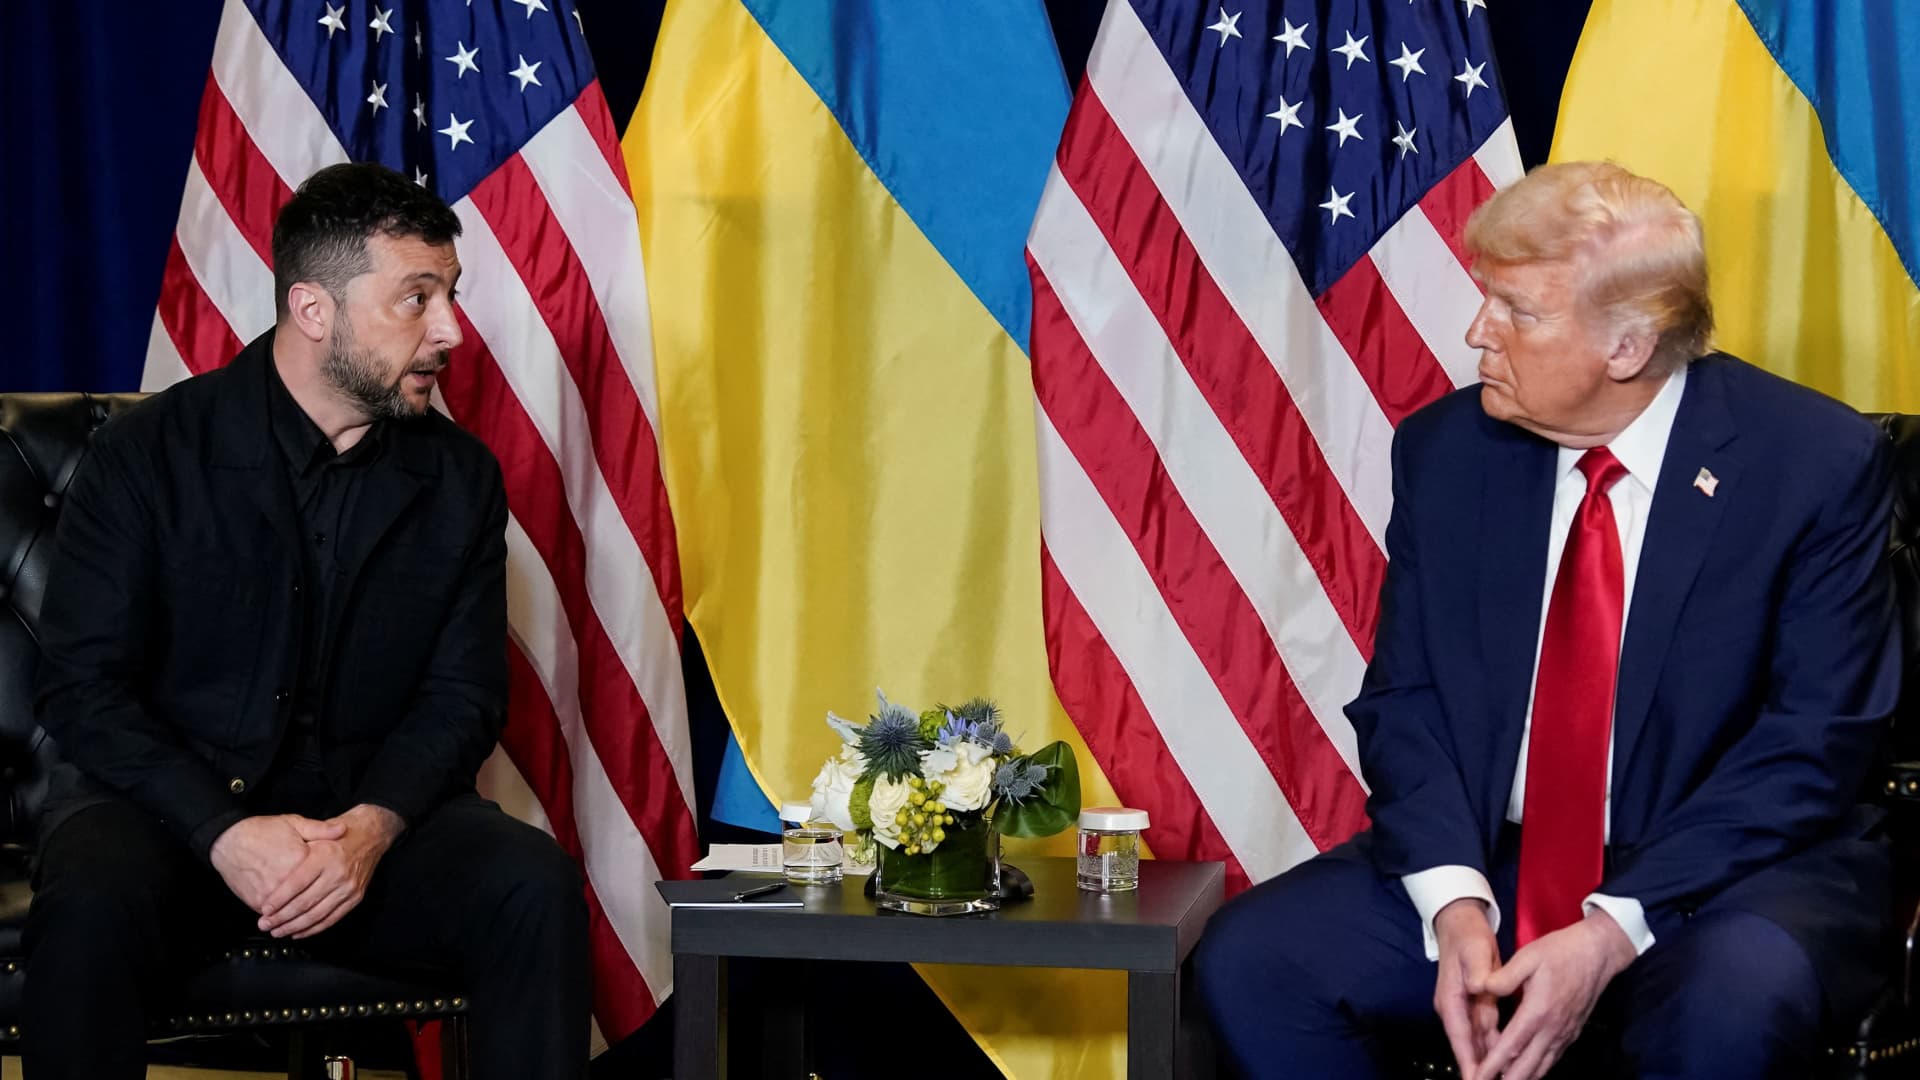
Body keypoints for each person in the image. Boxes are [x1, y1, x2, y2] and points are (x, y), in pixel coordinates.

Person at [1194, 161, 1898, 1080]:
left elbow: (1814, 743)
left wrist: (1610, 929)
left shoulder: (1813, 463)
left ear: (1627, 347)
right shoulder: (1449, 451)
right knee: (1255, 962)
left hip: (1734, 875)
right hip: (1499, 860)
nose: (1477, 331)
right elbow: (1408, 702)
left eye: (1517, 311)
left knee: (1729, 1005)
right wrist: (1454, 904)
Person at [23, 161, 590, 1079]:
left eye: (450, 294)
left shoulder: (462, 478)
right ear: (314, 309)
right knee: (89, 902)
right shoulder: (144, 455)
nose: (450, 329)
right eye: (417, 298)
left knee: (533, 886)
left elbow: (464, 696)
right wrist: (223, 831)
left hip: (365, 831)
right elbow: (83, 689)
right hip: (165, 821)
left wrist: (372, 828)